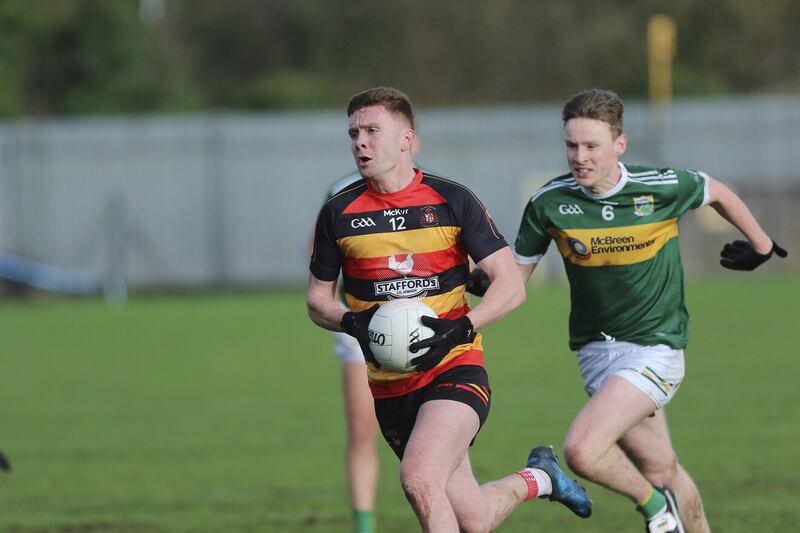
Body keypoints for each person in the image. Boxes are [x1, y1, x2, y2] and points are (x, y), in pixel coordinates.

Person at [307, 86, 592, 532]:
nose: (360, 142)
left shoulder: (451, 200)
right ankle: (540, 477)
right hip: (389, 385)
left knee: (420, 480)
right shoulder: (338, 213)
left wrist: (462, 327)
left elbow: (510, 284)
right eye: (354, 133)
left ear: (406, 139)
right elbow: (317, 300)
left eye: (372, 131)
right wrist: (351, 321)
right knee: (473, 518)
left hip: (454, 367)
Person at [509, 88, 787, 533]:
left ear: (620, 144)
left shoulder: (657, 187)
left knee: (582, 450)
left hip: (655, 350)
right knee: (664, 469)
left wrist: (761, 245)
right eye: (571, 145)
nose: (579, 157)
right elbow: (511, 281)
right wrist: (459, 282)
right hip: (597, 357)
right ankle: (672, 506)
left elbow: (715, 191)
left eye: (591, 146)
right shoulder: (548, 203)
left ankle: (657, 510)